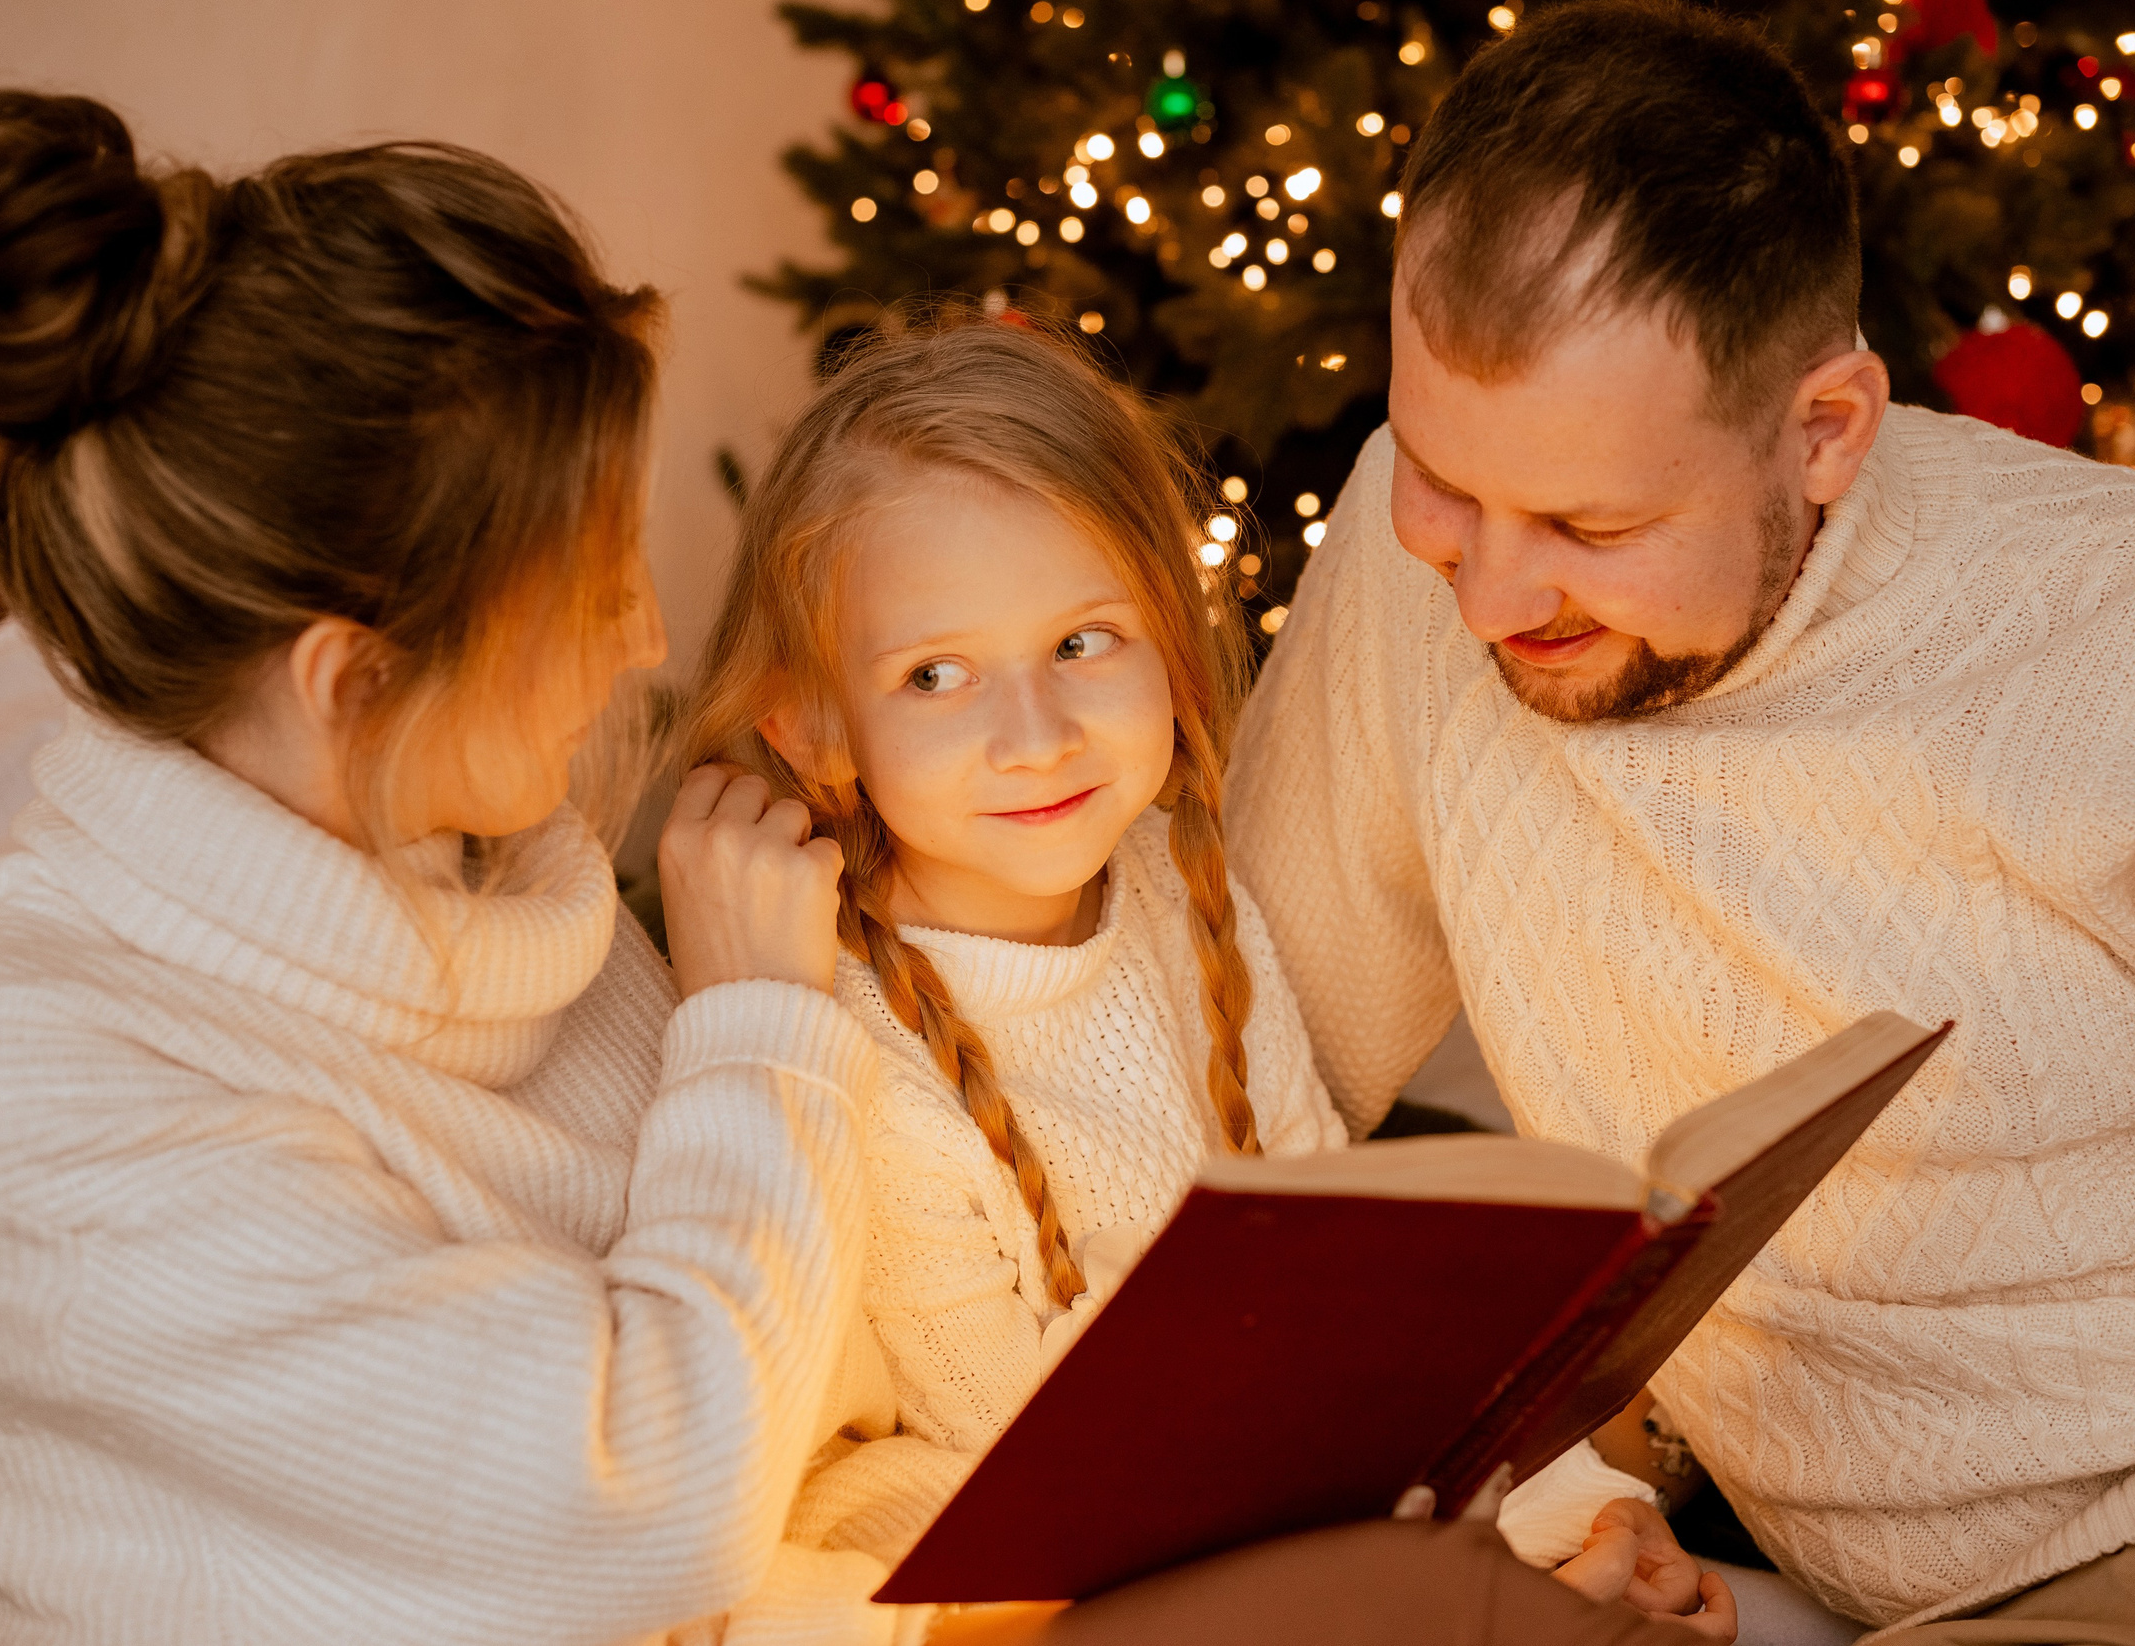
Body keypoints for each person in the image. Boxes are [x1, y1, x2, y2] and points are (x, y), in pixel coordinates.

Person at [0, 91, 1722, 1646]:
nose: (644, 631)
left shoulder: (496, 866)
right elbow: (648, 1511)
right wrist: (752, 1020)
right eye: (583, 587)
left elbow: (838, 1399)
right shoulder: (20, 1082)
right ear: (358, 681)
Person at [1228, 0, 2135, 1646]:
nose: (1486, 591)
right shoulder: (1417, 561)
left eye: (1588, 520)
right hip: (1757, 1555)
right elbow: (1244, 1063)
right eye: (1438, 476)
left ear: (1824, 430)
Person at [689, 317, 1732, 1644]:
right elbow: (1042, 1475)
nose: (1035, 735)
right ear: (816, 727)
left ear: (1171, 634)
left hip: (1281, 1502)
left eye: (1083, 642)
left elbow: (1343, 1315)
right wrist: (1464, 1551)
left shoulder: (1184, 887)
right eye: (937, 675)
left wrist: (1569, 1509)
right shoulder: (858, 1039)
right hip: (1037, 1559)